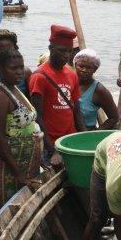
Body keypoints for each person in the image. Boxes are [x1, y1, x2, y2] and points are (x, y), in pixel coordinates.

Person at [0, 49, 43, 215]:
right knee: (5, 210)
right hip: (8, 167)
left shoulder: (15, 90)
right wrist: (18, 173)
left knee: (25, 208)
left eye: (21, 67)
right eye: (13, 68)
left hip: (26, 163)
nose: (19, 72)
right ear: (0, 70)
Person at [29, 25, 86, 168]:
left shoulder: (72, 75)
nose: (66, 55)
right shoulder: (39, 77)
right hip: (51, 144)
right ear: (51, 48)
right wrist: (51, 150)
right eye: (61, 51)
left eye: (69, 51)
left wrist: (85, 137)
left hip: (71, 140)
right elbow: (37, 116)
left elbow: (76, 111)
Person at [73, 48, 119, 130]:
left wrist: (95, 134)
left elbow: (114, 118)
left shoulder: (99, 90)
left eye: (89, 68)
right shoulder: (68, 83)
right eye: (81, 66)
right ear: (75, 65)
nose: (84, 70)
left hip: (85, 134)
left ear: (95, 69)